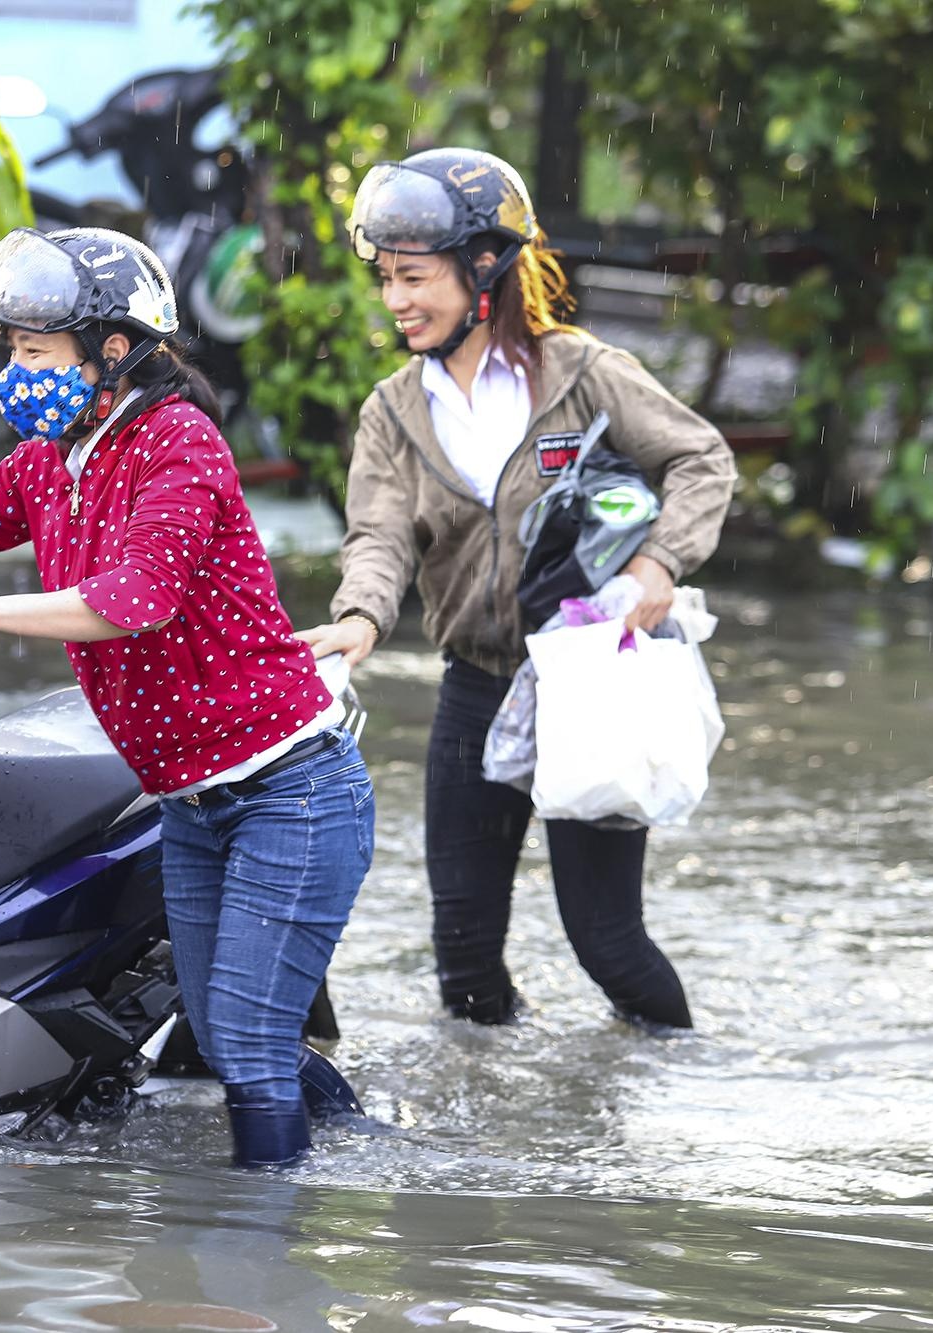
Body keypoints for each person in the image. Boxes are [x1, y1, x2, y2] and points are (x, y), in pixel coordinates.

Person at [0, 226, 374, 1166]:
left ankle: (258, 1262)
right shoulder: (50, 461)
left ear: (113, 351)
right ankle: (350, 1147)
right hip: (189, 806)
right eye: (13, 352)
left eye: (36, 353)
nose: (15, 373)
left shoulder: (177, 444)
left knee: (242, 1043)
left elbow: (134, 599)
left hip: (290, 792)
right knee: (215, 1040)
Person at [296, 149, 735, 1031]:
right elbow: (379, 534)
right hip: (474, 686)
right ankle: (491, 1141)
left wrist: (657, 564)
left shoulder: (580, 372)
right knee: (462, 956)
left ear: (485, 265)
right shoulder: (391, 410)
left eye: (415, 278)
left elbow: (702, 460)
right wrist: (358, 617)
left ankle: (679, 1091)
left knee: (605, 941)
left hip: (590, 683)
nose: (395, 301)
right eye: (384, 278)